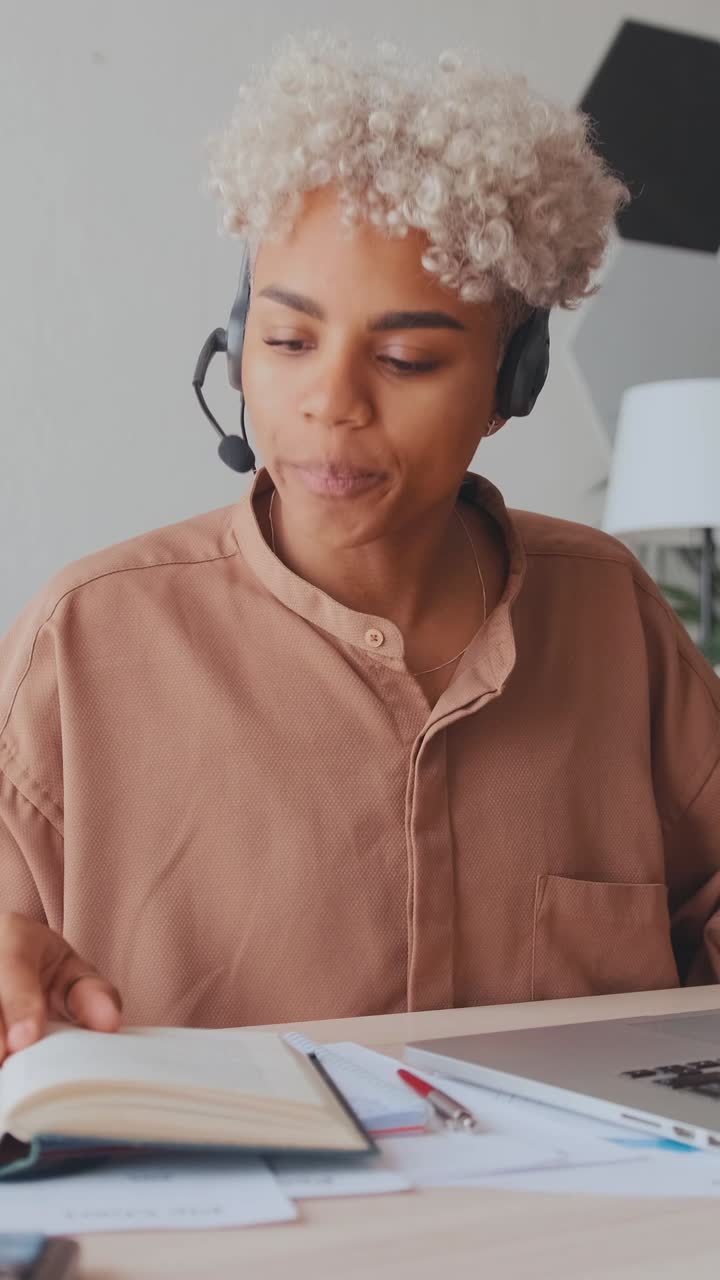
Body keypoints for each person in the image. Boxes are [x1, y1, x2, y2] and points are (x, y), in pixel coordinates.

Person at [1, 32, 719, 1065]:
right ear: (237, 343)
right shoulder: (83, 640)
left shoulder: (610, 611)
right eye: (288, 341)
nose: (329, 402)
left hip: (584, 1225)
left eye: (406, 357)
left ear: (511, 384)